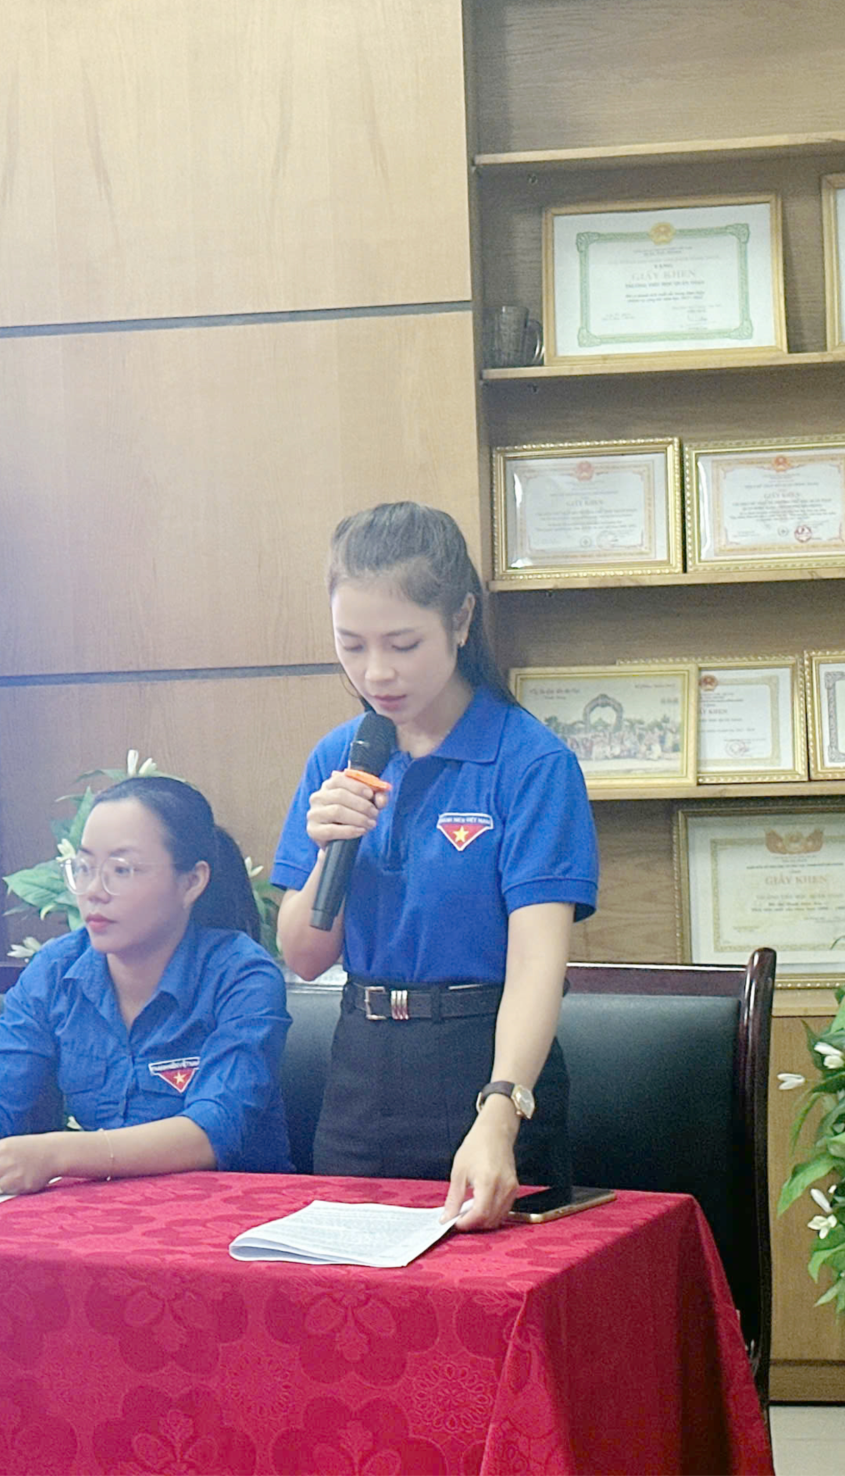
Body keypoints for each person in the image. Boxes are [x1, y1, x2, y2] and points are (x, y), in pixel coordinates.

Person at [273, 501, 598, 1229]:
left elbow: (537, 965)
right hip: (361, 1069)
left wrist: (501, 1109)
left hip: (483, 1061)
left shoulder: (529, 763)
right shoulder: (338, 757)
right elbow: (303, 956)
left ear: (460, 620)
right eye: (351, 645)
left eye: (403, 643)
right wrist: (329, 849)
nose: (376, 672)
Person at [0, 775, 292, 1196]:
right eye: (84, 869)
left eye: (122, 870)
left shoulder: (241, 975)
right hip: (108, 1211)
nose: (93, 892)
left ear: (191, 881)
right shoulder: (56, 969)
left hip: (234, 1211)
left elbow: (213, 1129)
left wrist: (57, 1154)